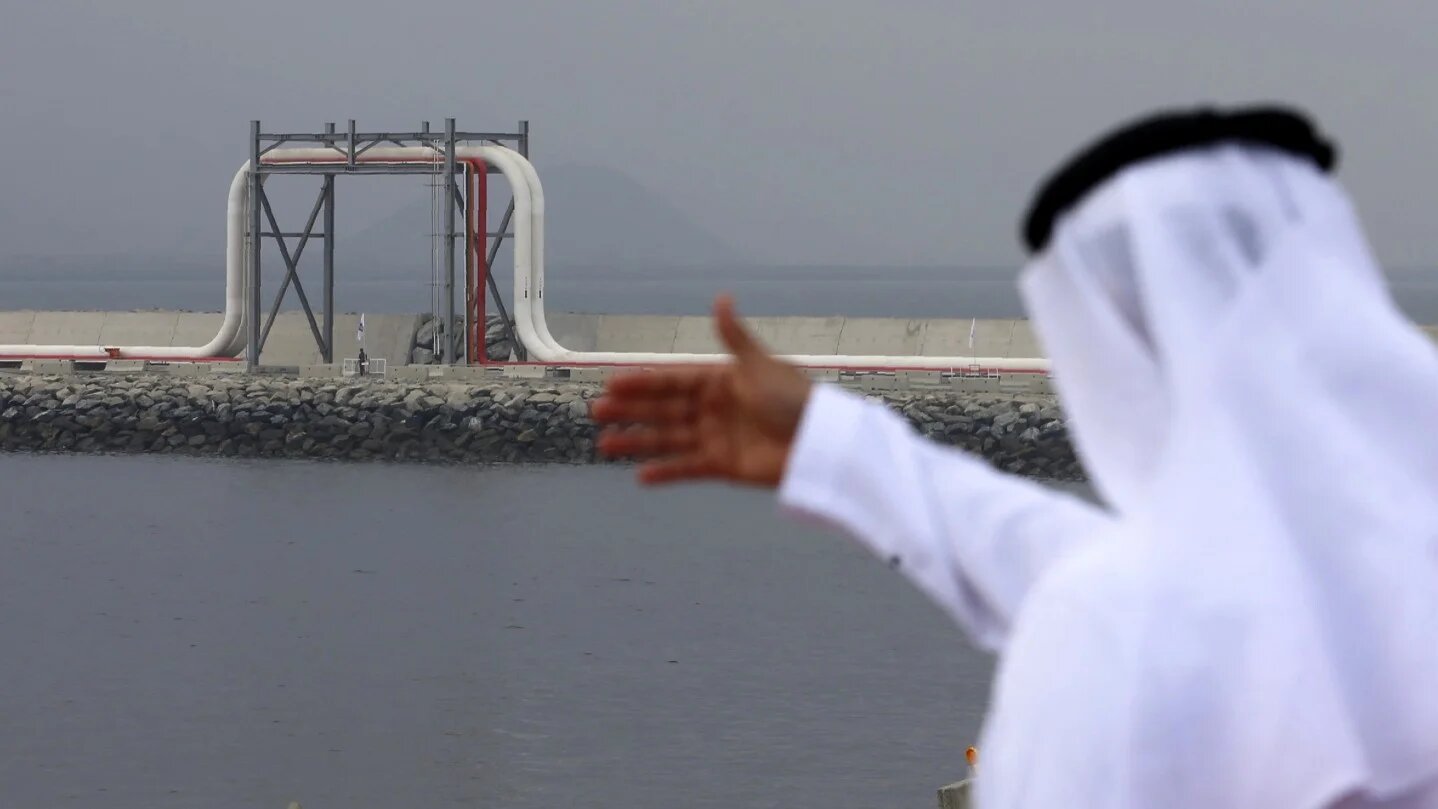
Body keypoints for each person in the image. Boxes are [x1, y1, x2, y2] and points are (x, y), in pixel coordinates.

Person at [592, 106, 1438, 808]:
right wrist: (835, 445)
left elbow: (1133, 604)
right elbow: (1066, 558)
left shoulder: (1121, 620)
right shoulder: (1393, 539)